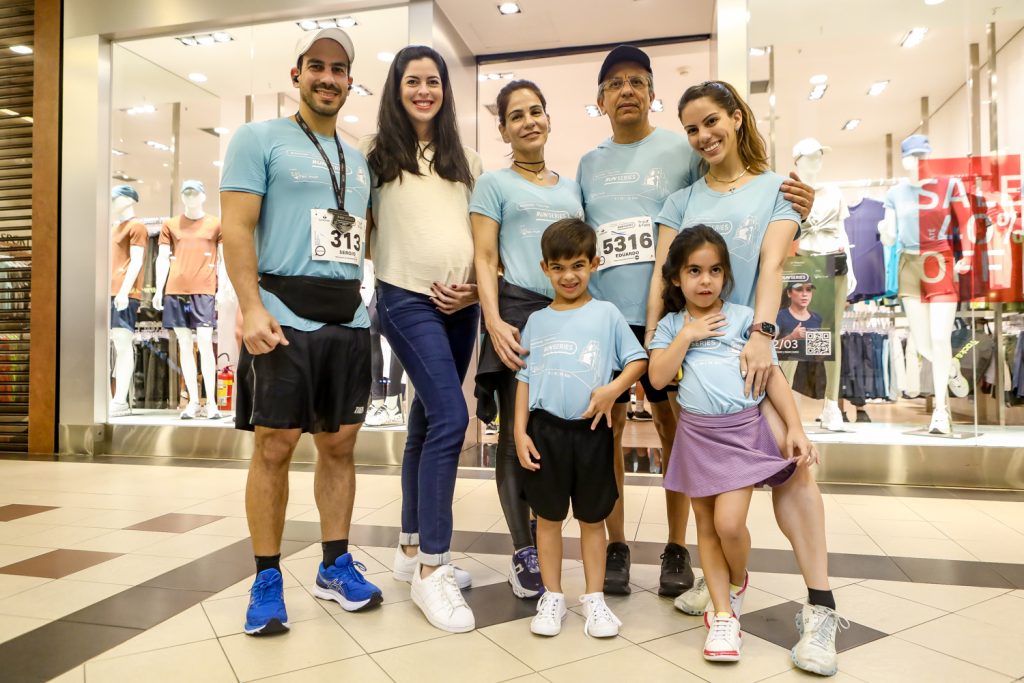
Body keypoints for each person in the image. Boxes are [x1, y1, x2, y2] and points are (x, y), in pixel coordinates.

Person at [577, 45, 815, 597]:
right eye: (615, 83)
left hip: (684, 320)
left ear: (651, 92)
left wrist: (798, 202)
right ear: (601, 98)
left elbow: (730, 183)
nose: (627, 90)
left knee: (678, 432)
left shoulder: (680, 149)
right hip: (614, 318)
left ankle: (678, 546)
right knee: (609, 433)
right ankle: (617, 544)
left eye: (637, 81)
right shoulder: (588, 164)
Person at [650, 80, 843, 676]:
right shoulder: (680, 202)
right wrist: (658, 359)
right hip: (698, 364)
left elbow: (772, 265)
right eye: (691, 128)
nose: (703, 135)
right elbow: (660, 281)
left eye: (712, 121)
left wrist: (761, 333)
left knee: (794, 468)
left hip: (752, 351)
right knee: (711, 507)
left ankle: (820, 608)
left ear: (736, 118)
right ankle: (722, 592)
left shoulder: (778, 189)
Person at [221, 27, 383, 637]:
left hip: (349, 314)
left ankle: (334, 565)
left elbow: (367, 238)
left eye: (338, 70)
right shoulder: (258, 139)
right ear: (297, 75)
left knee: (339, 446)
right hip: (282, 311)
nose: (327, 78)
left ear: (350, 82)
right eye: (317, 66)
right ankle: (266, 578)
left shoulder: (358, 160)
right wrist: (250, 306)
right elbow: (237, 228)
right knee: (275, 447)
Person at [648, 225, 813, 661]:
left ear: (726, 275)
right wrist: (687, 335)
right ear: (676, 278)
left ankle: (737, 581)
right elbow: (658, 378)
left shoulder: (744, 319)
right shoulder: (670, 326)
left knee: (728, 524)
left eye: (715, 270)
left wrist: (795, 428)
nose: (705, 280)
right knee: (705, 526)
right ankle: (723, 617)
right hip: (696, 437)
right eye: (694, 271)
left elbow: (772, 376)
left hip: (741, 434)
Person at [362, 45, 482, 633]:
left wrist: (476, 292)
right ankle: (434, 567)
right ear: (397, 88)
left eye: (433, 81)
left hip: (461, 306)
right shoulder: (375, 154)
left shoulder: (467, 158)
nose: (424, 91)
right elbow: (359, 229)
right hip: (404, 298)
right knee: (453, 418)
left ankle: (410, 550)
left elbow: (483, 239)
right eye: (413, 81)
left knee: (427, 420)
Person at [471, 79, 584, 600]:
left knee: (556, 430)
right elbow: (485, 257)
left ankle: (549, 536)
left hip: (567, 318)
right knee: (514, 439)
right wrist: (493, 321)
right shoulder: (493, 184)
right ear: (503, 129)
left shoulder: (572, 188)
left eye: (535, 111)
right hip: (515, 314)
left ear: (548, 119)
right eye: (516, 116)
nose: (528, 122)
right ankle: (524, 551)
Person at [513, 218, 648, 638]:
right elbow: (524, 379)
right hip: (545, 433)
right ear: (544, 268)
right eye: (558, 267)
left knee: (593, 519)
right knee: (548, 519)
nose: (568, 276)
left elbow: (637, 361)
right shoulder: (536, 321)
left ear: (594, 264)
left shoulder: (607, 314)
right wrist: (519, 431)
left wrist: (612, 390)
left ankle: (594, 598)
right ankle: (553, 596)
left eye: (577, 265)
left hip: (591, 432)